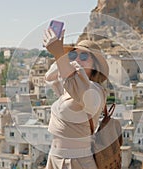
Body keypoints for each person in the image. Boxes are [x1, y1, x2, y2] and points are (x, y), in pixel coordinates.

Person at [43, 27, 109, 169]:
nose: (78, 59)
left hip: (77, 162)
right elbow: (50, 77)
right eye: (74, 55)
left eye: (84, 56)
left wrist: (60, 54)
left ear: (95, 65)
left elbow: (77, 86)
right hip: (55, 158)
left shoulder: (95, 91)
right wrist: (64, 57)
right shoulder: (69, 89)